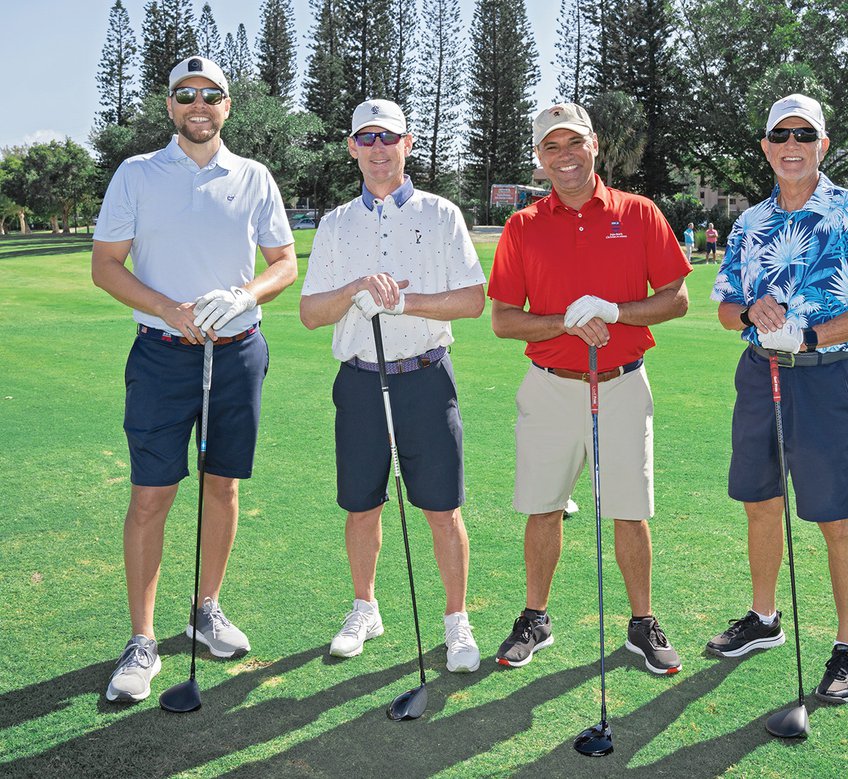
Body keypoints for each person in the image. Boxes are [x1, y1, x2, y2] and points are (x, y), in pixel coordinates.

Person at [92, 56, 297, 703]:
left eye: (211, 95)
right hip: (161, 355)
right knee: (151, 495)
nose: (198, 105)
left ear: (227, 106)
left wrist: (245, 294)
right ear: (171, 106)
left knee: (223, 485)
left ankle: (205, 607)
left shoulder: (255, 178)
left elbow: (285, 261)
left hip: (238, 353)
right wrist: (169, 309)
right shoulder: (137, 174)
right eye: (186, 95)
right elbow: (105, 265)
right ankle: (143, 637)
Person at [487, 103, 691, 674]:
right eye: (551, 147)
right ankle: (535, 617)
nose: (564, 156)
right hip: (550, 386)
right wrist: (565, 321)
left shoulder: (639, 212)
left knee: (629, 510)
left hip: (622, 384)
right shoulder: (522, 225)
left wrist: (615, 311)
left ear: (594, 145)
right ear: (538, 158)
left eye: (573, 143)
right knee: (542, 505)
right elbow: (503, 318)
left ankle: (642, 622)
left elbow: (677, 298)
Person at [707, 93, 848, 703]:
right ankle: (763, 620)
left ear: (823, 145)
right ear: (766, 147)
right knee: (760, 502)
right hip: (760, 375)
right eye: (781, 136)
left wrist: (808, 333)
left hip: (824, 376)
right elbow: (725, 306)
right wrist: (751, 313)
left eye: (804, 136)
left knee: (834, 517)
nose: (792, 146)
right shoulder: (751, 221)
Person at [300, 99, 486, 673]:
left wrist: (404, 302)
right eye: (367, 138)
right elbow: (310, 312)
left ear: (408, 145)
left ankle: (457, 622)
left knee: (442, 509)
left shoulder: (440, 214)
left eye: (390, 138)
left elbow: (473, 300)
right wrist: (355, 287)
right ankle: (365, 608)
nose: (379, 149)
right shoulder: (334, 224)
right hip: (358, 381)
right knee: (361, 507)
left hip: (425, 378)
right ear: (353, 147)